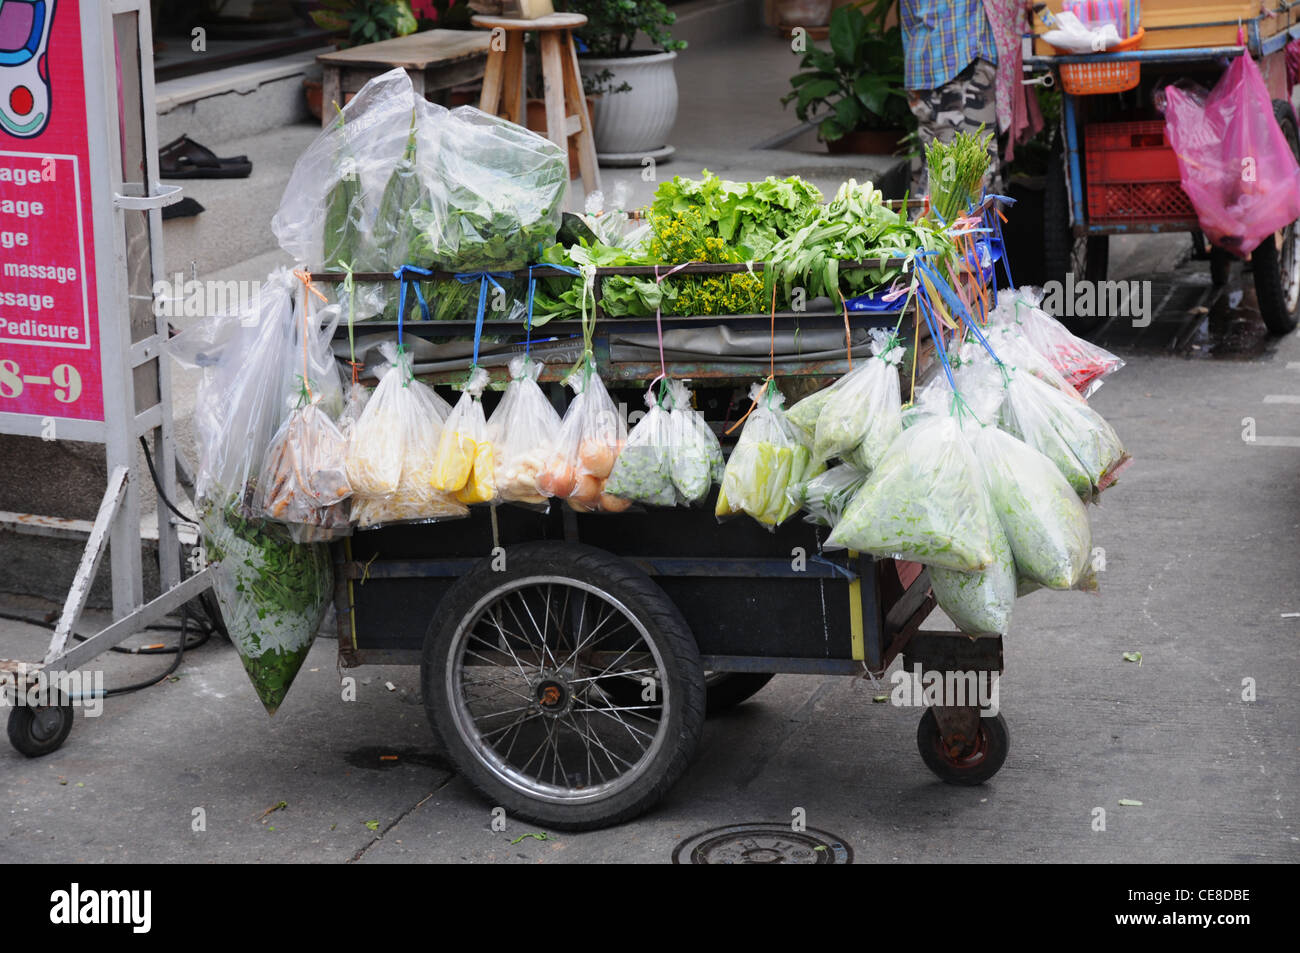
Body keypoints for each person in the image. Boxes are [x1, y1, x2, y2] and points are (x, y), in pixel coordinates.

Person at [900, 1, 1041, 200]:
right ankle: (961, 228)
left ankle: (939, 226)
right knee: (966, 175)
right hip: (959, 56)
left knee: (941, 170)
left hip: (927, 61)